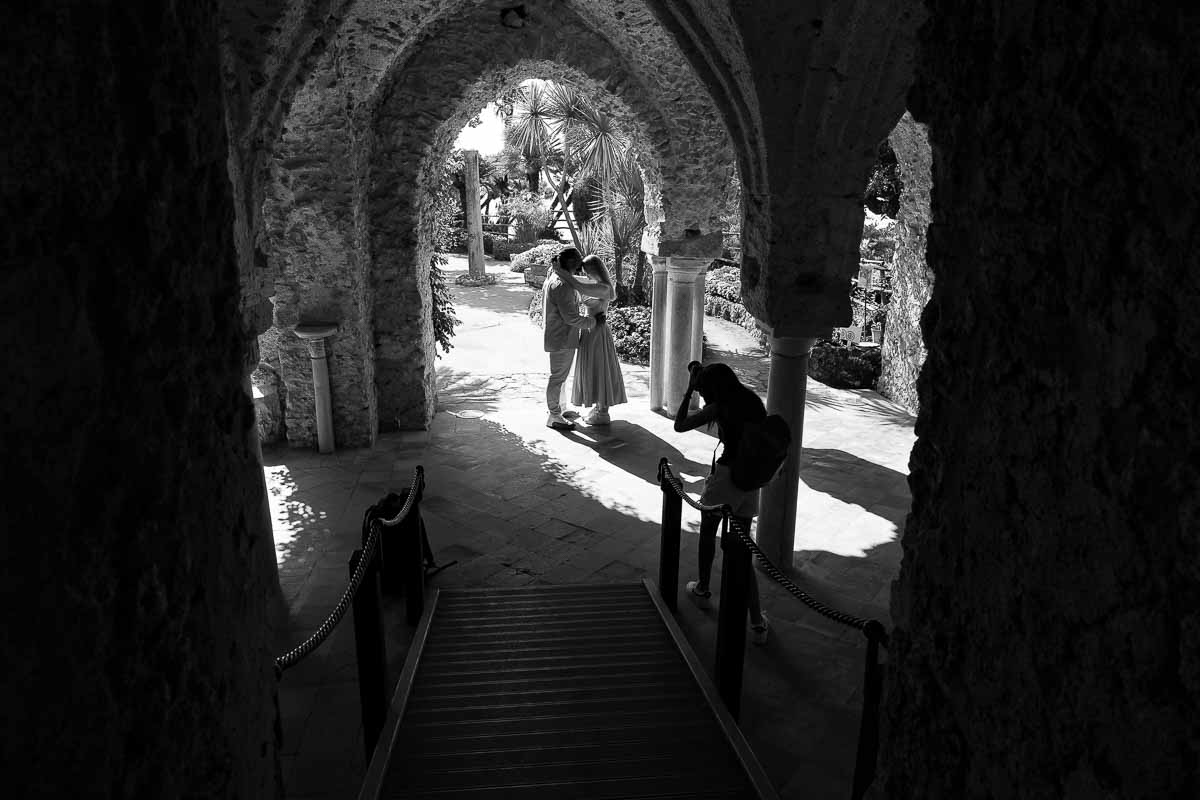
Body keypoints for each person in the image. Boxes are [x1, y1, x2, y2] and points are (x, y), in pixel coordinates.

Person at [672, 360, 770, 645]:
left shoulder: (720, 406)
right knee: (742, 552)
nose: (703, 396)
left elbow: (680, 425)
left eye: (704, 391)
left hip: (726, 478)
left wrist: (689, 387)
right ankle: (756, 623)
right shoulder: (752, 401)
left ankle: (703, 589)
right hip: (750, 482)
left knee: (707, 534)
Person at [552, 254, 628, 425]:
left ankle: (603, 412)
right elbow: (579, 283)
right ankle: (600, 408)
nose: (585, 276)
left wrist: (559, 270)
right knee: (593, 368)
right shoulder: (597, 285)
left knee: (599, 368)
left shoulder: (604, 288)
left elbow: (577, 284)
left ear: (594, 271)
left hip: (597, 332)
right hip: (590, 331)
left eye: (587, 272)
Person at [542, 247, 595, 430]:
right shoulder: (562, 285)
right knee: (557, 377)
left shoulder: (558, 277)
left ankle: (560, 409)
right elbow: (571, 318)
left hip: (561, 337)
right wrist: (593, 322)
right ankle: (554, 415)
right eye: (578, 261)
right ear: (571, 263)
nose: (580, 264)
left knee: (561, 376)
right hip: (561, 338)